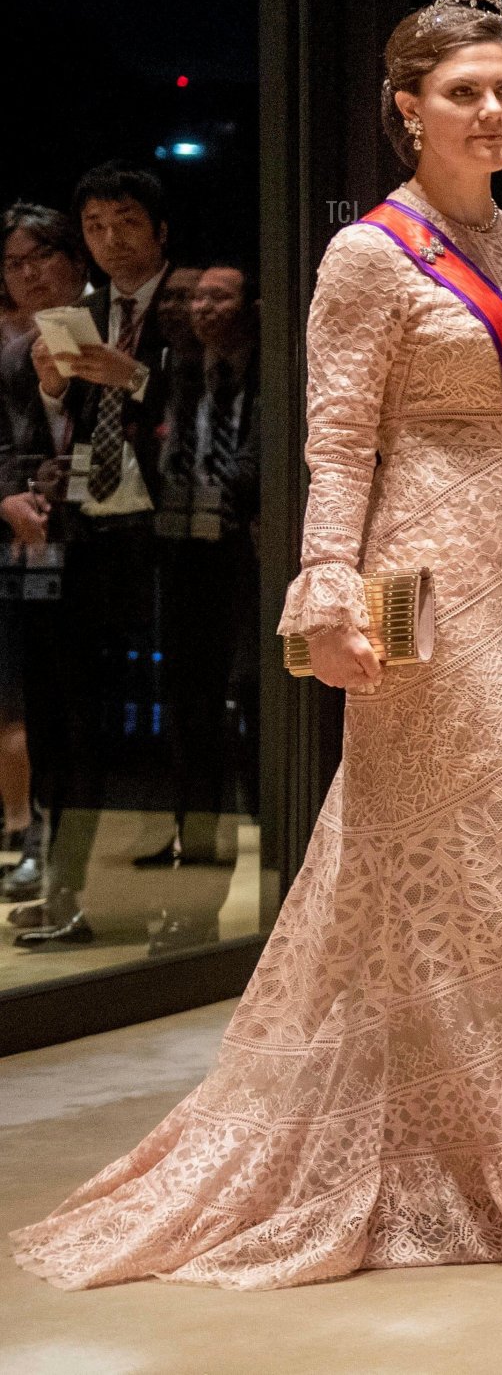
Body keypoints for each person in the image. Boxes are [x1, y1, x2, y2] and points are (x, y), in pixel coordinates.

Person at [12, 0, 502, 1289]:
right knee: (436, 858)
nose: (491, 109)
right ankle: (414, 1145)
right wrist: (324, 589)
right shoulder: (369, 255)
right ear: (406, 110)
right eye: (463, 90)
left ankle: (484, 1134)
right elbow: (338, 443)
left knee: (498, 863)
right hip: (419, 582)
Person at [14, 165, 173, 949]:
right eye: (97, 227)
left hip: (171, 533)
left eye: (126, 223)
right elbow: (45, 422)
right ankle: (71, 887)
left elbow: (219, 402)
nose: (111, 240)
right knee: (71, 719)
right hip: (87, 535)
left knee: (155, 716)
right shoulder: (80, 312)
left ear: (159, 230)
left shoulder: (188, 303)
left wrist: (136, 374)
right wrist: (50, 389)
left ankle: (151, 890)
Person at [145, 260, 262, 952]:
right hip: (182, 550)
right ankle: (198, 851)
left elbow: (261, 462)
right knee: (187, 700)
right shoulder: (176, 375)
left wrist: (239, 493)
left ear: (250, 305)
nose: (204, 309)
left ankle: (270, 851)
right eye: (197, 300)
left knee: (250, 697)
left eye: (220, 297)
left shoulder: (271, 372)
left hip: (249, 554)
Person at [0, 204, 89, 901]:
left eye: (40, 258)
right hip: (36, 544)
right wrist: (8, 498)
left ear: (73, 259)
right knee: (39, 698)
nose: (27, 275)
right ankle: (40, 842)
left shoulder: (118, 325)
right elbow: (9, 448)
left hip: (116, 538)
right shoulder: (10, 351)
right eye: (13, 263)